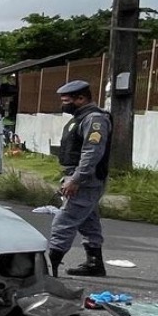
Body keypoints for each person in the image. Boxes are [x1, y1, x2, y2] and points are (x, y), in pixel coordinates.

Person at [47, 79, 111, 277]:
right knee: (88, 221)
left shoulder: (94, 119)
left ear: (81, 98)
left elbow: (92, 152)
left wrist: (76, 179)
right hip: (80, 178)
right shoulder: (81, 117)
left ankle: (50, 269)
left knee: (63, 222)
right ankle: (95, 263)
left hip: (85, 181)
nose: (63, 104)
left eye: (67, 100)